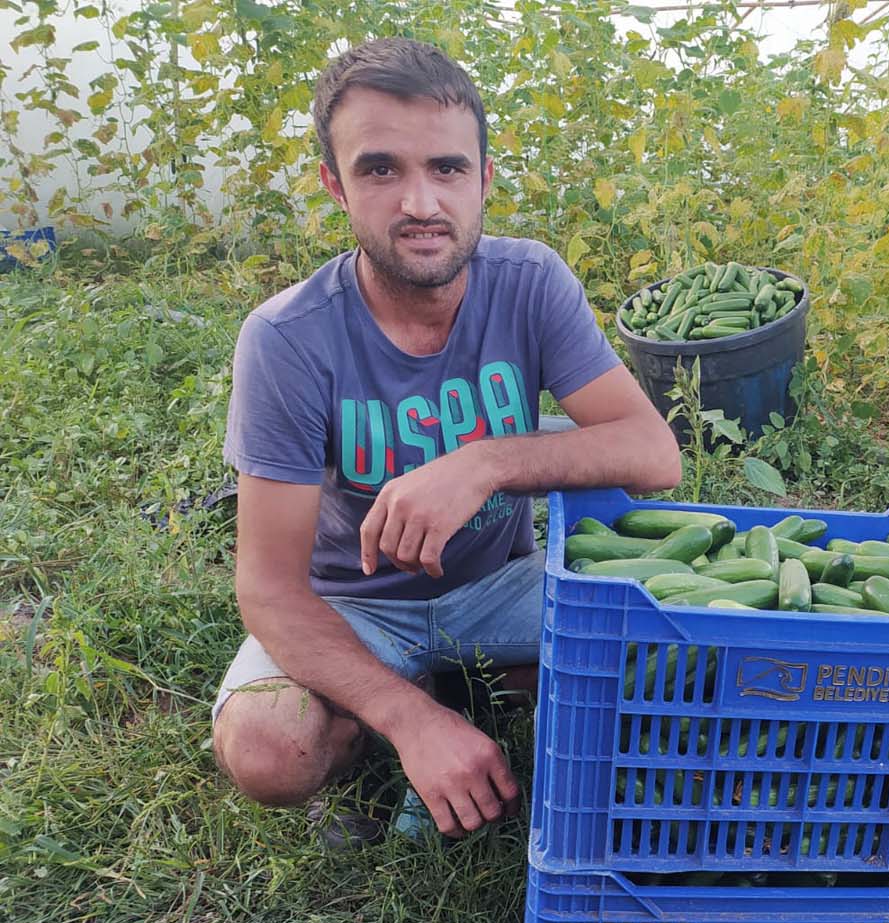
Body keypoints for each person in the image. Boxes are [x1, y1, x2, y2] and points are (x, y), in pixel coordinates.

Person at [210, 37, 680, 845]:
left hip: (499, 589)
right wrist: (408, 718)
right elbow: (270, 589)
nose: (420, 202)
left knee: (686, 648)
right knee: (269, 748)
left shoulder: (530, 283)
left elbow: (653, 453)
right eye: (381, 169)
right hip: (351, 608)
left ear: (485, 180)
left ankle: (478, 682)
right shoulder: (287, 338)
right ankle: (392, 715)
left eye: (449, 169)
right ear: (336, 184)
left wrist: (488, 460)